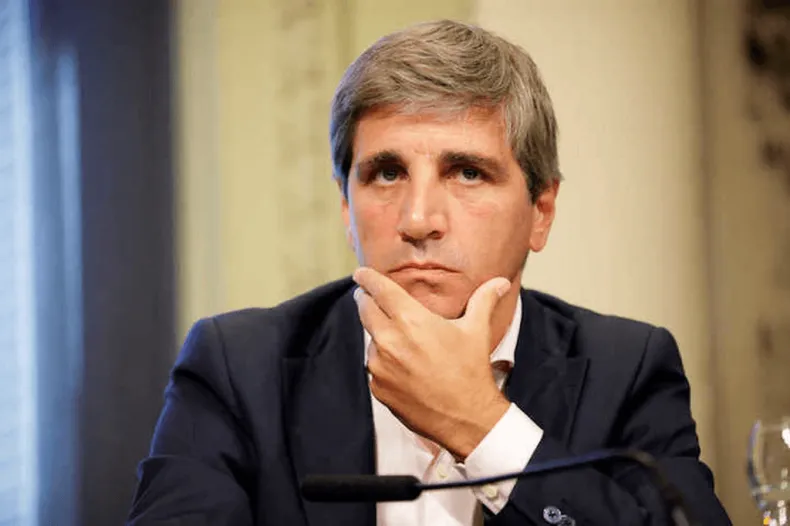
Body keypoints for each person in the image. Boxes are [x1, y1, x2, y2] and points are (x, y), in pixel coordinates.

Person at [127, 19, 730, 526]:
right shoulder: (238, 368)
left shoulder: (625, 369)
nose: (418, 220)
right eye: (386, 173)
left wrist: (481, 424)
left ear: (541, 212)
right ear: (346, 209)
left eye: (467, 172)